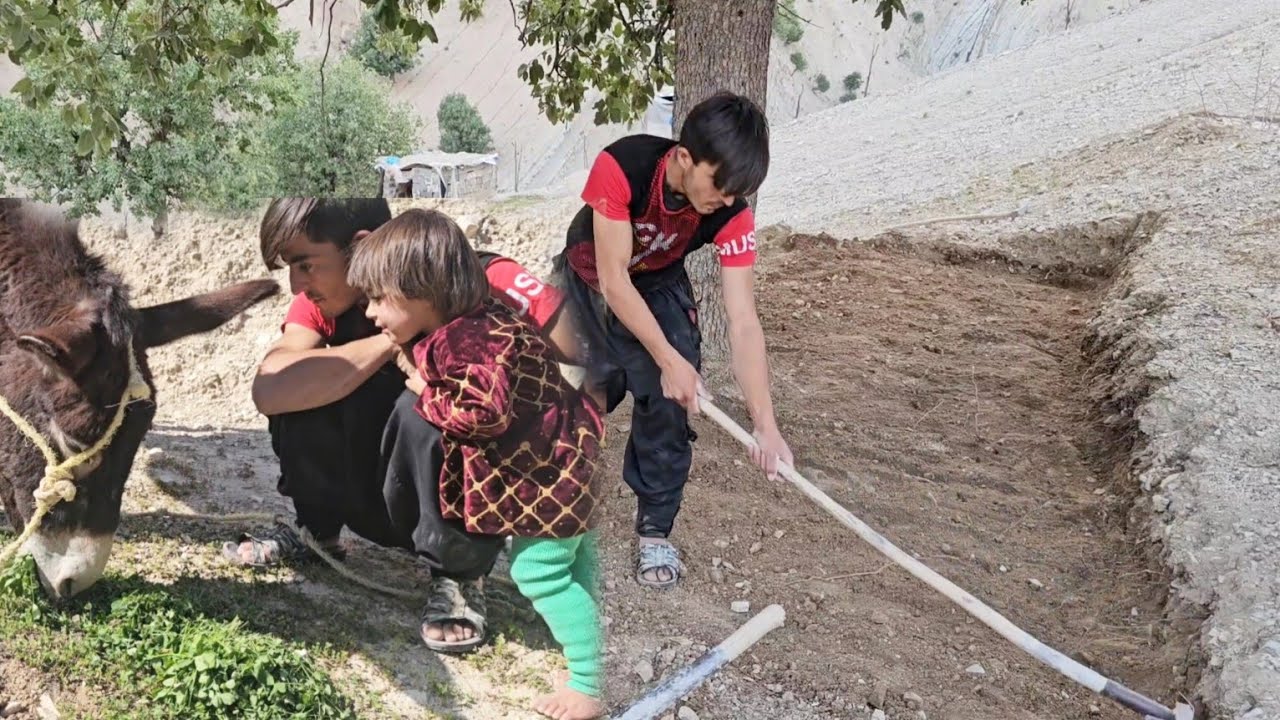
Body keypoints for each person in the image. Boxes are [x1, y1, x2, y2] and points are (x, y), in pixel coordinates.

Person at [223, 198, 582, 654]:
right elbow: (271, 389)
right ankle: (318, 534)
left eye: (306, 265)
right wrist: (390, 341)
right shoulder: (323, 303)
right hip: (380, 494)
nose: (297, 284)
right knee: (306, 389)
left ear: (360, 246)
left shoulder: (477, 278)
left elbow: (584, 345)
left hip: (458, 503)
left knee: (438, 405)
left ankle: (460, 576)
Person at [348, 208, 605, 720]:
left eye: (379, 299)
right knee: (580, 562)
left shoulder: (464, 341)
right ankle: (593, 652)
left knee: (538, 571)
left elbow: (483, 414)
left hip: (549, 476)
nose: (371, 312)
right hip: (576, 454)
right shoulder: (480, 319)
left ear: (422, 290)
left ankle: (591, 680)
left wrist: (427, 394)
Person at [556, 91, 794, 589]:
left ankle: (655, 531)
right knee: (578, 394)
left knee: (671, 401)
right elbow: (615, 278)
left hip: (659, 285)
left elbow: (744, 320)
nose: (724, 200)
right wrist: (665, 357)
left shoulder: (731, 213)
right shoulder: (622, 166)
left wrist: (765, 424)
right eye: (719, 185)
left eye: (736, 193)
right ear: (685, 158)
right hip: (592, 279)